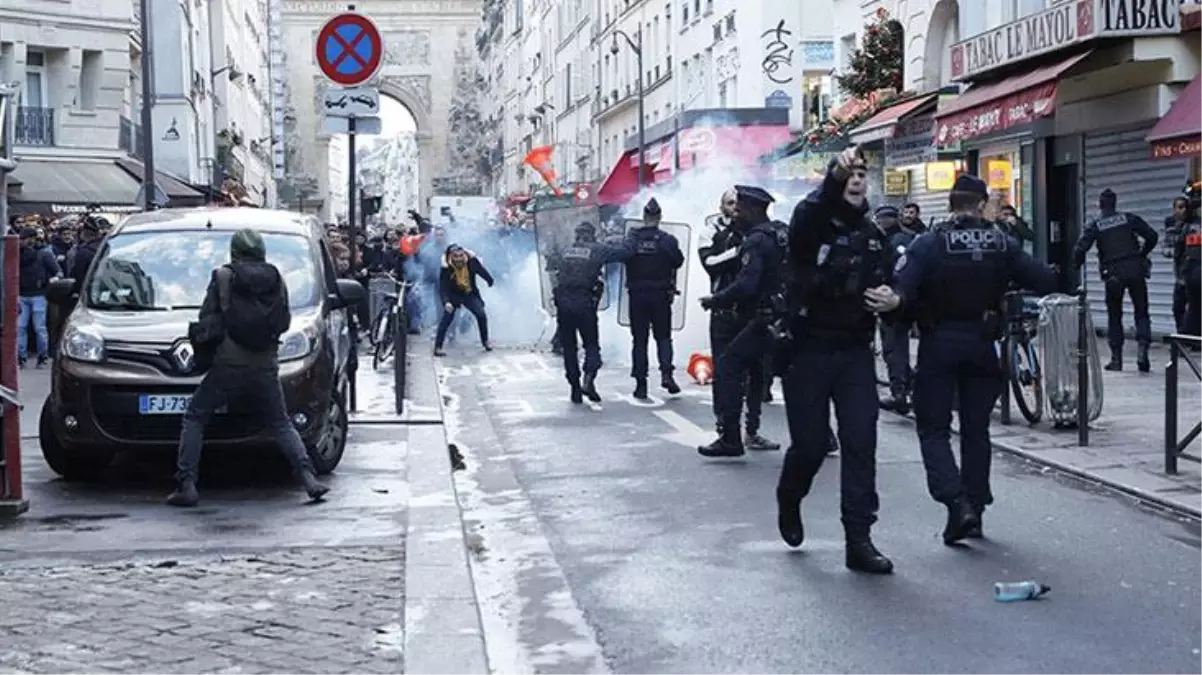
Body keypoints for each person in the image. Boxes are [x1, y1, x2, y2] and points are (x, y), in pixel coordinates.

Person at [893, 174, 1057, 543]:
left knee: (933, 429)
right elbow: (1044, 279)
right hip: (984, 344)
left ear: (950, 204)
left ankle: (956, 503)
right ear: (981, 204)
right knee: (975, 430)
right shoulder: (1002, 242)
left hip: (939, 343)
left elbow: (902, 290)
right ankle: (976, 508)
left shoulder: (929, 243)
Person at [773, 146, 897, 574]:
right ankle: (790, 498)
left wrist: (893, 298)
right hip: (807, 350)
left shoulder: (872, 234)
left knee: (861, 443)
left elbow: (893, 281)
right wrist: (834, 176)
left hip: (854, 352)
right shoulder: (811, 220)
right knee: (809, 447)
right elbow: (810, 219)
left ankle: (858, 539)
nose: (858, 180)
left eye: (864, 174)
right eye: (850, 174)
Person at [168, 229, 330, 507]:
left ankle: (187, 484)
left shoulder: (223, 277)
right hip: (265, 362)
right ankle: (308, 477)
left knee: (195, 416)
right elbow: (284, 320)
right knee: (280, 422)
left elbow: (208, 318)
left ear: (234, 251)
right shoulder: (276, 278)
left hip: (228, 363)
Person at [697, 185, 787, 458]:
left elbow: (747, 284)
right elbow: (710, 262)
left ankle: (732, 438)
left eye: (740, 207)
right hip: (780, 315)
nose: (736, 212)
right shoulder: (779, 233)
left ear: (752, 209)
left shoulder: (756, 239)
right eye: (731, 206)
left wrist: (716, 300)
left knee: (730, 368)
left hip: (760, 315)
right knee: (795, 372)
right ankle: (823, 436)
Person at [1072, 188, 1158, 372]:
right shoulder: (1129, 218)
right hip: (1135, 269)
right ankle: (1143, 350)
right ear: (1115, 203)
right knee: (1142, 312)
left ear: (1101, 205)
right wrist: (1141, 254)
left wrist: (1075, 265)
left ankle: (1116, 359)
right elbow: (1152, 236)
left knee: (1114, 315)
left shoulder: (1096, 225)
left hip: (1113, 273)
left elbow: (1080, 249)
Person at [553, 222, 633, 402]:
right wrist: (632, 238)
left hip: (564, 304)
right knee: (591, 345)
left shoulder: (566, 250)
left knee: (569, 348)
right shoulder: (597, 249)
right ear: (592, 235)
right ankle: (588, 379)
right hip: (584, 303)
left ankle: (574, 387)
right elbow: (624, 254)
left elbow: (552, 265)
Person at [625, 198, 684, 399]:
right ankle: (667, 374)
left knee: (639, 340)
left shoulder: (633, 239)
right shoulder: (667, 240)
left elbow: (624, 256)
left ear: (644, 217)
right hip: (660, 295)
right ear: (659, 218)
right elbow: (678, 261)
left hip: (637, 296)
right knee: (663, 337)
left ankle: (641, 383)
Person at [874, 205, 919, 413]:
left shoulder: (887, 241)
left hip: (894, 301)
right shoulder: (910, 237)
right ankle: (911, 385)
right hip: (915, 299)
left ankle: (899, 393)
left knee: (894, 348)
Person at [434, 244, 494, 356]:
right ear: (451, 257)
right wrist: (446, 302)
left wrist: (489, 280)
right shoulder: (446, 268)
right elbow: (443, 288)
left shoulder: (471, 262)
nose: (459, 259)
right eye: (455, 256)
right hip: (453, 295)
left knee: (481, 314)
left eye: (461, 256)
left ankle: (485, 341)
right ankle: (438, 347)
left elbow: (481, 271)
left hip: (468, 293)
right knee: (447, 318)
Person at [17, 227, 61, 368]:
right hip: (32, 294)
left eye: (24, 239)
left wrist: (53, 280)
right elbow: (58, 272)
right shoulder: (43, 253)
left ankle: (36, 356)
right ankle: (32, 356)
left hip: (35, 295)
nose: (22, 242)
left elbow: (57, 271)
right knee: (30, 327)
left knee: (32, 328)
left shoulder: (42, 254)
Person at [1165, 196, 1190, 331]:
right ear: (1174, 210)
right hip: (1180, 278)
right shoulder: (1171, 226)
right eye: (1180, 207)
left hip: (1194, 277)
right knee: (1177, 309)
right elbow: (1166, 249)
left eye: (1185, 207)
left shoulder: (1192, 225)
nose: (1183, 210)